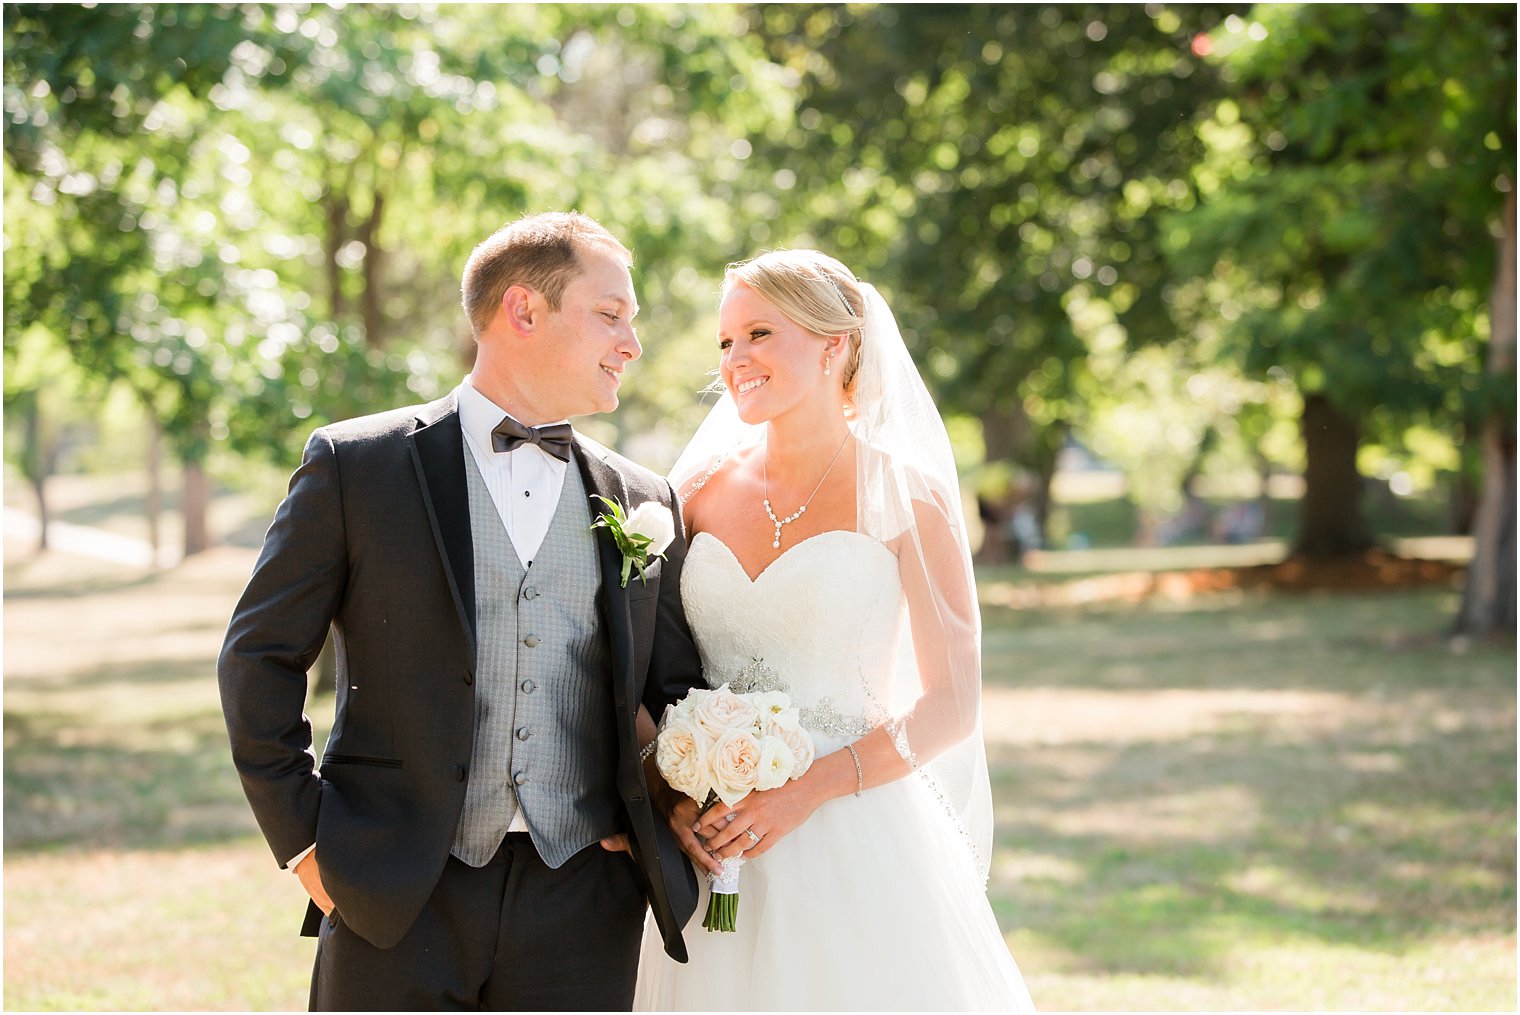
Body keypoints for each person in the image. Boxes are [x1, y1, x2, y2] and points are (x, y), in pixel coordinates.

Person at [218, 212, 709, 1010]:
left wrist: (662, 803)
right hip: (395, 886)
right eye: (610, 314)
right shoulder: (359, 465)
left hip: (583, 895)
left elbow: (674, 688)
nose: (632, 343)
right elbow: (258, 657)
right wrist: (305, 839)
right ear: (523, 310)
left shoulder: (642, 498)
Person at [633, 250, 1035, 1010]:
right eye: (725, 342)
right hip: (712, 840)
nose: (736, 360)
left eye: (758, 333)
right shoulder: (694, 494)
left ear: (833, 343)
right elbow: (645, 664)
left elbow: (952, 700)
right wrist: (670, 788)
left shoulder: (906, 496)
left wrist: (805, 792)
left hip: (855, 824)